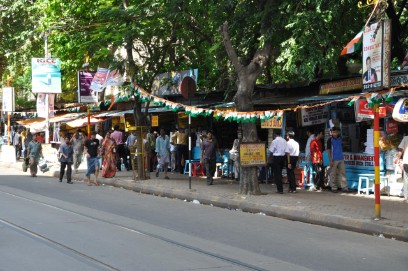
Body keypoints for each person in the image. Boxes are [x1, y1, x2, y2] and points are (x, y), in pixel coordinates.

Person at [327, 127, 349, 193]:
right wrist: (330, 160)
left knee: (343, 173)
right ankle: (333, 187)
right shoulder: (330, 140)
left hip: (341, 158)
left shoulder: (340, 139)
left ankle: (344, 187)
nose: (335, 133)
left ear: (338, 132)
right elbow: (329, 150)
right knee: (333, 174)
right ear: (331, 133)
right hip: (334, 159)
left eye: (336, 132)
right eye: (333, 132)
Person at [394, 135, 408, 201]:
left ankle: (406, 197)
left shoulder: (405, 138)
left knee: (406, 180)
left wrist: (398, 158)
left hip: (406, 162)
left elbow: (401, 149)